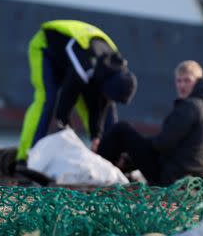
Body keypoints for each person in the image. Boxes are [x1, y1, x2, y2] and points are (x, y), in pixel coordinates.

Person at [16, 20, 137, 160]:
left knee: (106, 111)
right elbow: (66, 100)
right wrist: (63, 124)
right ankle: (26, 157)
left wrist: (95, 136)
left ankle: (111, 158)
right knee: (47, 100)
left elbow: (100, 106)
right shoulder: (86, 66)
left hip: (76, 64)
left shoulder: (112, 67)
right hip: (46, 48)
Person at [97, 60, 203, 186]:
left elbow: (163, 144)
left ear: (197, 81)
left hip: (170, 178)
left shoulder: (190, 106)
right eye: (179, 81)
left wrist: (132, 155)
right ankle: (118, 169)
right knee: (135, 142)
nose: (182, 85)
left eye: (187, 80)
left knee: (122, 130)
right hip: (190, 177)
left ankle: (98, 172)